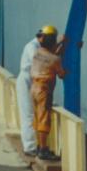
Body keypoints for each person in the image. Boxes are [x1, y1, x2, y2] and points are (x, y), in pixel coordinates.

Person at [15, 25, 64, 157]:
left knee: (36, 114)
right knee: (29, 114)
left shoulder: (41, 47)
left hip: (34, 83)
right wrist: (58, 54)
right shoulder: (32, 48)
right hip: (28, 81)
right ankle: (30, 147)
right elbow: (44, 62)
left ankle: (37, 146)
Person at [30, 27, 66, 161]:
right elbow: (61, 75)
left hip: (33, 88)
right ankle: (43, 150)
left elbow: (49, 54)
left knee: (37, 118)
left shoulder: (38, 52)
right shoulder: (55, 59)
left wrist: (59, 45)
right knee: (44, 119)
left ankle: (39, 146)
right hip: (44, 90)